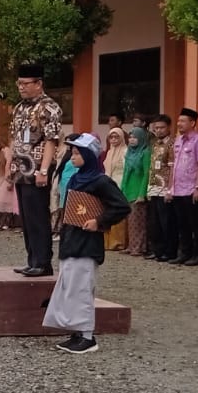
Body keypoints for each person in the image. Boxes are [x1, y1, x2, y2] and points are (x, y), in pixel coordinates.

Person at [43, 134, 131, 355]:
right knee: (70, 287)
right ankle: (77, 330)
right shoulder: (76, 178)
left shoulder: (101, 181)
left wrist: (99, 221)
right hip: (71, 239)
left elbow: (121, 206)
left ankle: (88, 336)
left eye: (77, 153)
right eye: (72, 153)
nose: (72, 157)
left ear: (89, 155)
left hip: (87, 243)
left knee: (82, 289)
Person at [9, 66, 63, 276]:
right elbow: (14, 138)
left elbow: (51, 140)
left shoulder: (48, 107)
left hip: (37, 168)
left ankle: (43, 262)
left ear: (38, 83)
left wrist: (44, 170)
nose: (21, 87)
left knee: (38, 216)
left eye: (25, 83)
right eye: (19, 83)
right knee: (27, 218)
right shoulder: (19, 108)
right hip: (20, 168)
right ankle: (32, 260)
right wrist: (10, 165)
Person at [168, 108, 198, 266]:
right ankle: (185, 253)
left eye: (183, 121)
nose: (179, 124)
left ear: (192, 123)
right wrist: (170, 188)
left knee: (195, 223)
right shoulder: (178, 140)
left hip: (192, 188)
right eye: (178, 121)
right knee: (182, 223)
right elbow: (174, 165)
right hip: (178, 189)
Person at [145, 115, 174, 262]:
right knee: (154, 221)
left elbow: (172, 168)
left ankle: (169, 251)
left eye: (162, 127)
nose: (159, 130)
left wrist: (170, 189)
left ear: (169, 127)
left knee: (166, 221)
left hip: (165, 187)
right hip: (153, 186)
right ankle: (157, 250)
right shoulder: (155, 144)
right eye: (156, 128)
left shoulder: (172, 144)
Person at [120, 124, 151, 256]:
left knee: (138, 221)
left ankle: (139, 247)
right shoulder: (129, 152)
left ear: (141, 138)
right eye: (130, 137)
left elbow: (146, 174)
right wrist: (122, 189)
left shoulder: (145, 152)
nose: (132, 140)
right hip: (128, 190)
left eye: (135, 137)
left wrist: (142, 194)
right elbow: (125, 172)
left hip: (138, 190)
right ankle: (131, 245)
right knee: (129, 221)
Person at [100, 127, 129, 251]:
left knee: (118, 212)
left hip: (120, 182)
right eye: (111, 137)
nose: (113, 139)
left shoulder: (126, 151)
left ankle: (118, 242)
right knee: (107, 211)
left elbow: (126, 170)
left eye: (116, 137)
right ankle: (107, 242)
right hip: (108, 184)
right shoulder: (109, 152)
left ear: (122, 137)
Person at [0, 134, 18, 231]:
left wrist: (9, 179)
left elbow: (9, 164)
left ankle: (7, 222)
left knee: (6, 201)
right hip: (0, 179)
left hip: (7, 178)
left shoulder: (6, 151)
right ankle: (0, 222)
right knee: (0, 202)